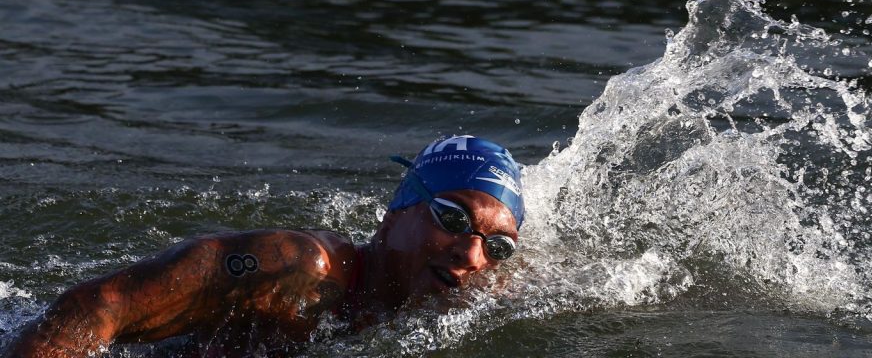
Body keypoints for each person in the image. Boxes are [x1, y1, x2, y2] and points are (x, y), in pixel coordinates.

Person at [2, 135, 525, 358]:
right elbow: (101, 307)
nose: (470, 254)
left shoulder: (468, 303)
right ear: (399, 209)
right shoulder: (299, 269)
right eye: (452, 218)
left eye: (497, 246)